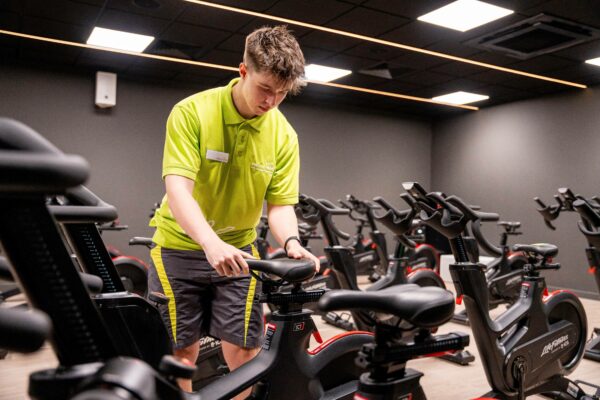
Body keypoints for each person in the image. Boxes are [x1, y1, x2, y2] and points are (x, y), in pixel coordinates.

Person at [148, 25, 320, 396]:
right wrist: (210, 244)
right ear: (243, 71)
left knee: (245, 351)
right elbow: (177, 189)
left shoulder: (284, 135)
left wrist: (291, 241)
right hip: (179, 247)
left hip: (241, 253)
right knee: (181, 351)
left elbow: (280, 205)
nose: (271, 102)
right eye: (264, 89)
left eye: (281, 94)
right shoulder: (192, 111)